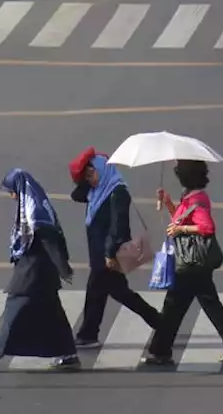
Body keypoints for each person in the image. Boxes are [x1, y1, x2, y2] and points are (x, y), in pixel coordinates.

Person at [0, 168, 82, 373]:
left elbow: (50, 241)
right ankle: (69, 355)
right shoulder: (34, 206)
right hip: (41, 274)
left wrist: (63, 268)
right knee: (53, 314)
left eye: (12, 191)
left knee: (14, 307)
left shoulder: (36, 213)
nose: (12, 196)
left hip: (34, 273)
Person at [142, 160, 223, 366]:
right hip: (196, 264)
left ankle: (161, 351)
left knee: (174, 306)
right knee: (207, 304)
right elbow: (180, 219)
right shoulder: (191, 197)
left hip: (191, 263)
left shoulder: (196, 201)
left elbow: (206, 228)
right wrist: (167, 202)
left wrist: (180, 230)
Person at [68, 147, 162, 348]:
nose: (90, 179)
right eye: (87, 176)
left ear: (102, 170)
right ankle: (160, 322)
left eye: (91, 174)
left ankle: (88, 335)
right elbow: (76, 195)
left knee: (104, 291)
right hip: (100, 255)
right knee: (113, 292)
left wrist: (110, 254)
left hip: (108, 254)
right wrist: (84, 177)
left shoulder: (117, 192)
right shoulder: (97, 191)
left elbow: (118, 226)